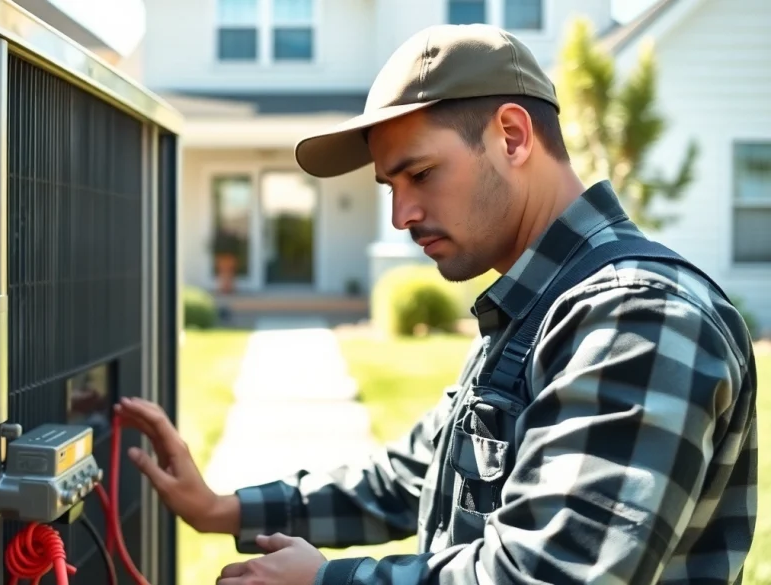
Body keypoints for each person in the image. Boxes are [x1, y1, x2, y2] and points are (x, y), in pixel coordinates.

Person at [115, 23, 759, 585]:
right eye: (389, 185)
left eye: (420, 175)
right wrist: (220, 508)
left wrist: (326, 581)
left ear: (511, 136)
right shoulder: (538, 308)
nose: (401, 215)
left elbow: (553, 573)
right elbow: (414, 475)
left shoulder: (636, 317)